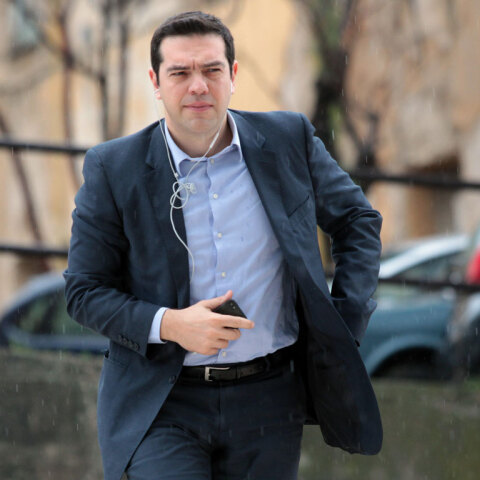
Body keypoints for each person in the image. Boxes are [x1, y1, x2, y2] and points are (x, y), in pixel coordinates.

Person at [64, 10, 383, 480]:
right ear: (155, 82)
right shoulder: (114, 168)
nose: (198, 86)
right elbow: (83, 291)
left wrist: (344, 322)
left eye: (211, 70)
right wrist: (170, 324)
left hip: (270, 398)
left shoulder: (288, 140)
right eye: (180, 72)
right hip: (161, 402)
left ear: (233, 75)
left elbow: (357, 219)